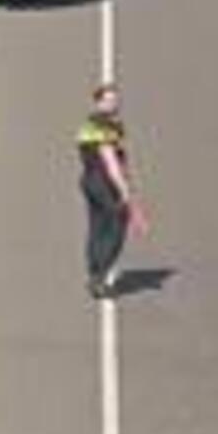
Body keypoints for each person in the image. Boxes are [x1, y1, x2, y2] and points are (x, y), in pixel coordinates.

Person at [75, 84, 144, 299]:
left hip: (88, 180)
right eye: (108, 100)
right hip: (103, 182)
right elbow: (110, 161)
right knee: (117, 224)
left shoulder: (90, 125)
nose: (113, 104)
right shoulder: (103, 127)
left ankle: (94, 269)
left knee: (97, 226)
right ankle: (99, 275)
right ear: (98, 102)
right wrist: (124, 190)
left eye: (115, 100)